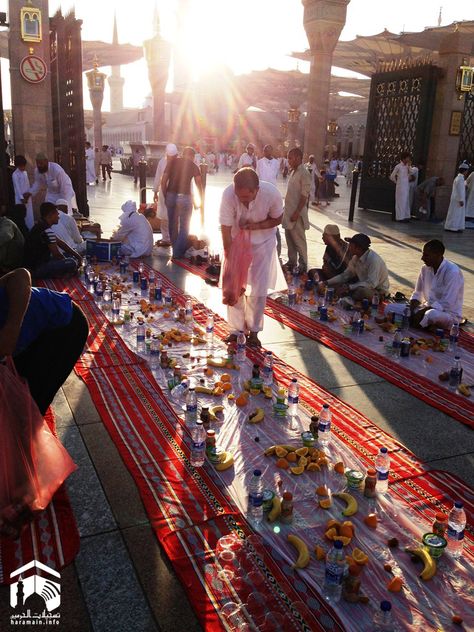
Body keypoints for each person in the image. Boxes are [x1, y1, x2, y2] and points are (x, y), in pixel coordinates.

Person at [0, 268, 89, 416]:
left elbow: (21, 275)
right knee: (16, 393)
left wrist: (11, 329)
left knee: (33, 401)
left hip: (66, 326)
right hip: (34, 335)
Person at [219, 168, 284, 348]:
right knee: (234, 287)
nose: (243, 201)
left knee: (258, 288)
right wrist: (229, 255)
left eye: (247, 197)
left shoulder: (271, 193)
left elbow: (278, 218)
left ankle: (254, 332)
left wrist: (256, 226)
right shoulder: (228, 194)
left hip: (263, 243)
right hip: (236, 242)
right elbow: (225, 226)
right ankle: (236, 329)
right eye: (240, 198)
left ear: (257, 189)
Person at [383, 240, 464, 329]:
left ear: (438, 255)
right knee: (389, 308)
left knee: (431, 315)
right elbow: (418, 293)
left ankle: (419, 323)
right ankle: (424, 325)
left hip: (447, 314)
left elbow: (447, 303)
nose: (422, 258)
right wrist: (412, 309)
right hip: (424, 308)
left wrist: (423, 311)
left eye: (426, 255)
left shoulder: (452, 272)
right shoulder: (425, 269)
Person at [161, 146, 203, 259]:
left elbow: (163, 181)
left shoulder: (172, 162)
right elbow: (199, 184)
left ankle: (176, 249)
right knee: (185, 226)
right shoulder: (193, 166)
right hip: (184, 197)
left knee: (172, 225)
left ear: (183, 154)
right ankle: (177, 253)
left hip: (170, 195)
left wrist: (166, 196)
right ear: (192, 156)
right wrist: (201, 200)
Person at [23, 202, 81, 278]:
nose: (58, 217)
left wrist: (77, 256)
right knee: (72, 262)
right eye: (57, 214)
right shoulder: (46, 230)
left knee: (71, 256)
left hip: (39, 263)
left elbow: (60, 243)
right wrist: (66, 262)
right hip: (37, 268)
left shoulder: (41, 225)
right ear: (50, 215)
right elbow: (56, 254)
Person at [326, 233, 389, 302]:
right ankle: (347, 298)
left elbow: (371, 284)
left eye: (351, 246)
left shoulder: (373, 260)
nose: (349, 247)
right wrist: (326, 282)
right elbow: (345, 275)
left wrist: (349, 287)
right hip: (362, 285)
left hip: (377, 291)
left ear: (358, 248)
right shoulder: (355, 258)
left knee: (361, 291)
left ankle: (350, 299)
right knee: (335, 286)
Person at [282, 147, 311, 274]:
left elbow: (305, 196)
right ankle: (292, 262)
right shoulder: (293, 172)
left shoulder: (304, 173)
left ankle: (303, 264)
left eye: (290, 157)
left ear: (298, 158)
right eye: (288, 157)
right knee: (290, 239)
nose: (288, 160)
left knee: (299, 240)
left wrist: (297, 212)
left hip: (296, 214)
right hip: (289, 212)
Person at [153, 143, 178, 247]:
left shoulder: (180, 163)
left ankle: (175, 238)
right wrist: (155, 192)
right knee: (164, 217)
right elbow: (158, 177)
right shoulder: (162, 162)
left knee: (175, 217)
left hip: (177, 193)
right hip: (164, 193)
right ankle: (166, 238)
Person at [444, 162, 468, 232]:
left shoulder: (459, 178)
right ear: (464, 171)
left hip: (456, 199)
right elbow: (460, 190)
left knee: (454, 213)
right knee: (455, 214)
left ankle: (451, 226)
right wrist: (461, 200)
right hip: (458, 200)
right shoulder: (460, 179)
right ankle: (453, 227)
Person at [12, 155, 34, 229]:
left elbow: (27, 185)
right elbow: (17, 188)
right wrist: (22, 198)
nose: (23, 167)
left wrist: (28, 194)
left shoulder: (25, 173)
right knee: (22, 217)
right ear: (18, 165)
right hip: (20, 199)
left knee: (29, 215)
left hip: (27, 197)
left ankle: (30, 229)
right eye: (22, 166)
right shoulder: (15, 175)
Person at [390, 152, 412, 222]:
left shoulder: (407, 166)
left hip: (406, 186)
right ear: (403, 158)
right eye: (407, 158)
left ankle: (406, 216)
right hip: (400, 187)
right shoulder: (398, 166)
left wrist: (409, 166)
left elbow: (411, 172)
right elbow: (392, 176)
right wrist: (397, 182)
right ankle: (400, 217)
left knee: (406, 201)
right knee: (400, 202)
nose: (408, 159)